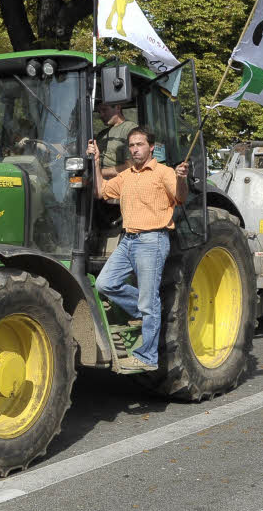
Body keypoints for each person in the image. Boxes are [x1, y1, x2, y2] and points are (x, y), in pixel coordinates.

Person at [86, 127, 188, 371]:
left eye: (139, 144)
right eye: (131, 145)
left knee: (148, 299)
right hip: (128, 241)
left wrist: (182, 178)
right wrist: (96, 161)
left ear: (151, 147)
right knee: (105, 284)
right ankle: (147, 312)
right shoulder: (127, 175)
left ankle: (147, 357)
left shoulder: (163, 173)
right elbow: (101, 191)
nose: (135, 149)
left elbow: (181, 197)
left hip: (152, 241)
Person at [94, 103, 138, 179]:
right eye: (99, 112)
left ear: (117, 107)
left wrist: (99, 172)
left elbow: (132, 166)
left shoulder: (130, 129)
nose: (101, 115)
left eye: (104, 110)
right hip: (98, 181)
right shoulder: (101, 134)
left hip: (119, 182)